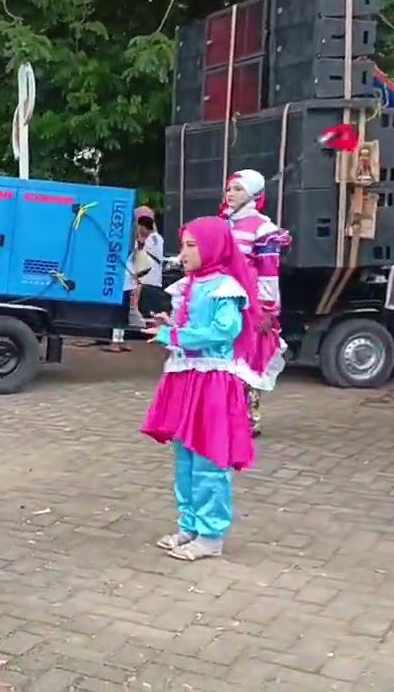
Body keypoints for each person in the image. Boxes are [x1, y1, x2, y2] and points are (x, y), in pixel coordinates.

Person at [141, 216, 259, 562]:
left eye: (192, 246)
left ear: (212, 247)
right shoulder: (190, 284)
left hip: (213, 382)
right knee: (185, 456)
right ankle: (190, 525)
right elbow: (193, 327)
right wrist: (171, 325)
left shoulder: (225, 287)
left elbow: (224, 332)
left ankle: (211, 536)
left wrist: (175, 336)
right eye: (185, 245)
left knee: (209, 457)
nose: (184, 253)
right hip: (186, 377)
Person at [218, 170, 289, 436]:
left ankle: (248, 418)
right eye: (229, 188)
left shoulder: (264, 229)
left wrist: (267, 310)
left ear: (252, 193)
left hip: (249, 306)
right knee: (222, 361)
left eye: (237, 189)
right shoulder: (223, 224)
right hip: (220, 301)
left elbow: (269, 273)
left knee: (248, 362)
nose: (230, 193)